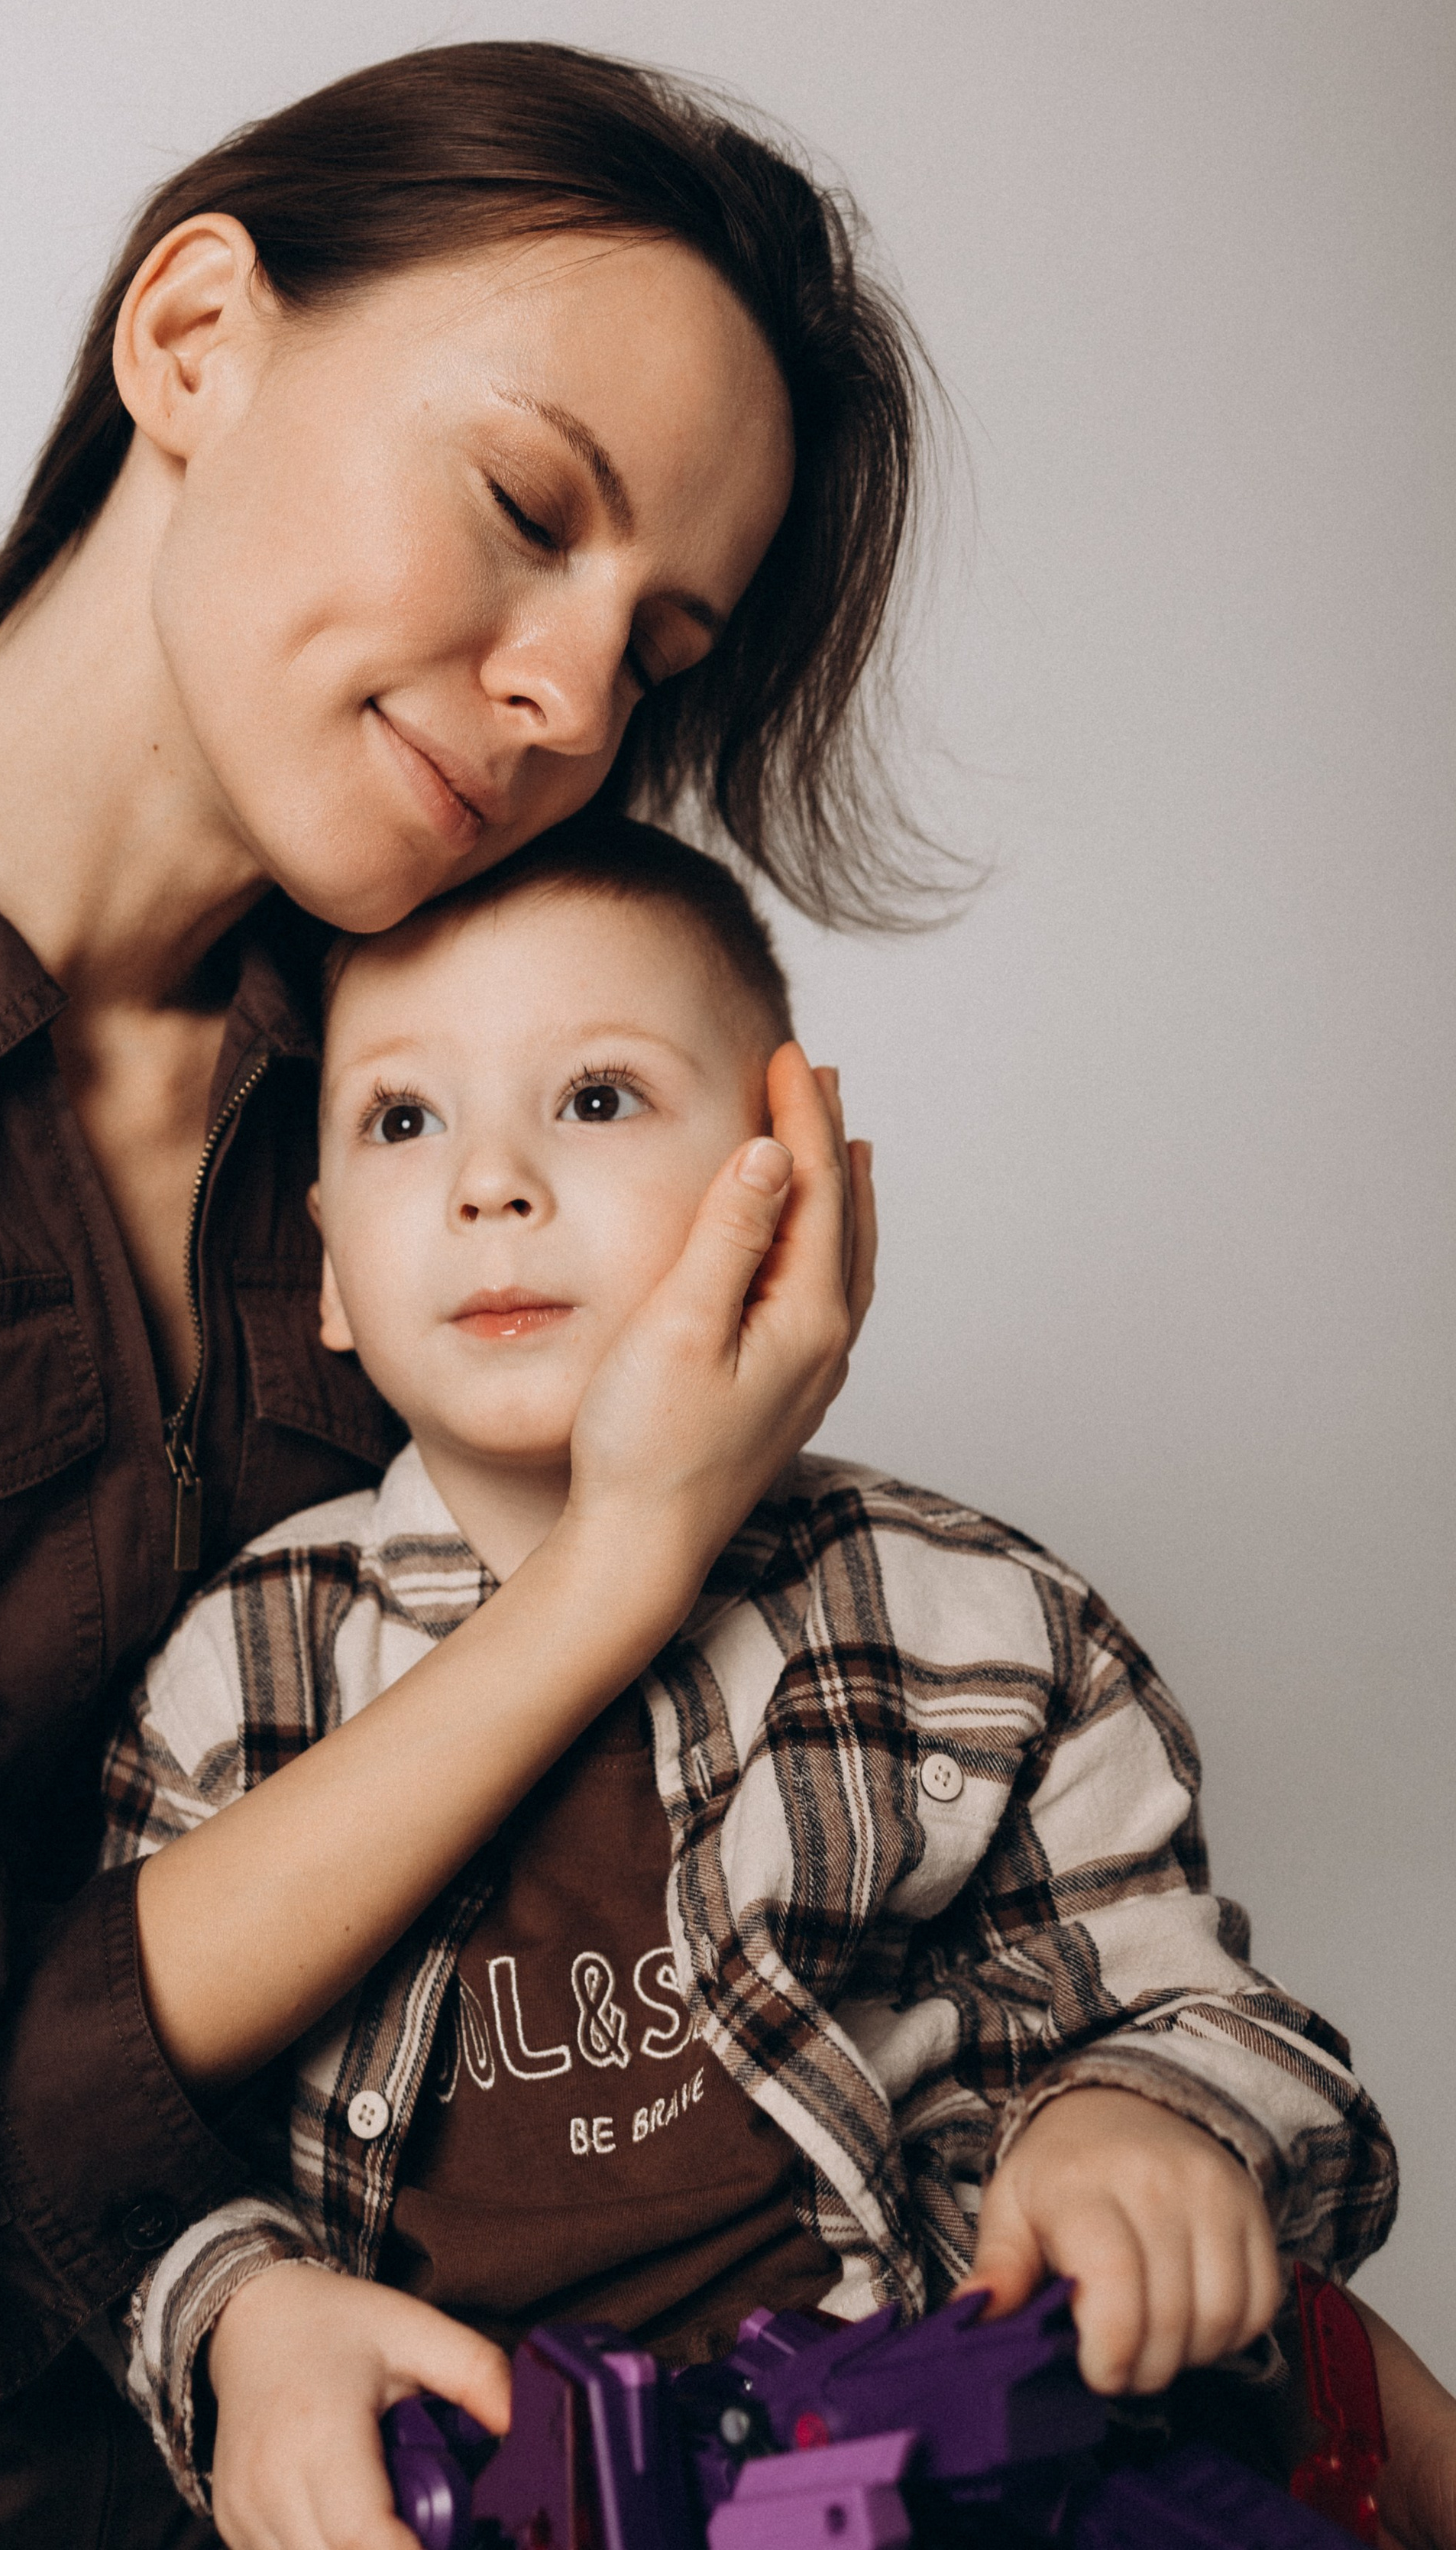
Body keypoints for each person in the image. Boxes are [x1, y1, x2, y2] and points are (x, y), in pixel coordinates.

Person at [0, 43, 909, 2545]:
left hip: (463, 2429)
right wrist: (609, 1562)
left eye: (657, 648)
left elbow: (712, 1913)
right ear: (193, 341)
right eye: (526, 507)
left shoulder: (467, 1124)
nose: (577, 700)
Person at [97, 818, 1399, 2550]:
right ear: (328, 1264)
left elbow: (1198, 2015)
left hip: (939, 2451)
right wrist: (244, 2327)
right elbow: (115, 2155)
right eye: (403, 1120)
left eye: (595, 1097)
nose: (490, 1180)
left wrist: (1142, 2124)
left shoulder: (970, 1622)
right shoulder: (231, 1680)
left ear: (786, 1178)